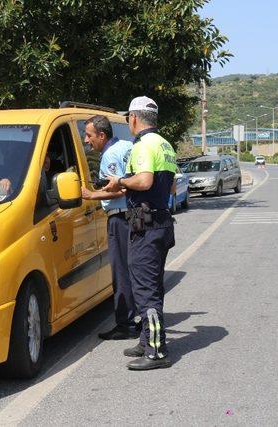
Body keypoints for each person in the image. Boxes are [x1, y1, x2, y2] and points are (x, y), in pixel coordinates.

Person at [103, 96, 177, 370]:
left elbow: (144, 181)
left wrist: (120, 180)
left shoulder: (143, 145)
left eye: (127, 118)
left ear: (133, 118)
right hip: (160, 222)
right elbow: (169, 188)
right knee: (150, 285)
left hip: (145, 225)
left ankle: (157, 352)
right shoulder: (165, 144)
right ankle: (147, 340)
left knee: (145, 290)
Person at [80, 115, 137, 340]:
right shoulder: (126, 145)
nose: (86, 141)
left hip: (120, 218)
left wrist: (92, 194)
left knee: (121, 271)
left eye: (89, 135)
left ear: (102, 136)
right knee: (132, 270)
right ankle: (137, 318)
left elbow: (122, 188)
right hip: (131, 216)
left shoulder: (110, 155)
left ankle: (125, 324)